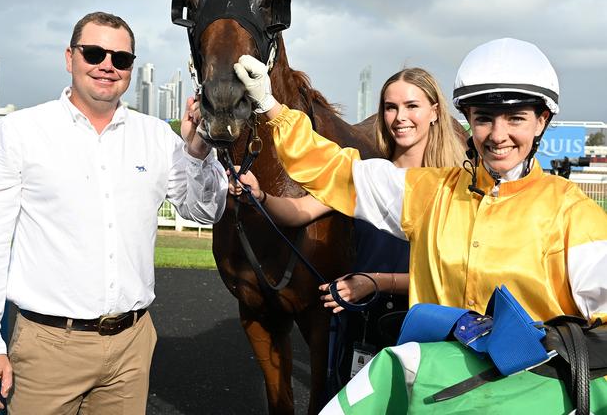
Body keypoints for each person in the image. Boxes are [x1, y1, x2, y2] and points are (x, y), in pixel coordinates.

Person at [0, 11, 228, 414]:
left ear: (131, 69)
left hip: (131, 344)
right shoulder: (17, 133)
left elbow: (202, 211)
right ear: (70, 57)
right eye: (94, 53)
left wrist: (197, 151)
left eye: (121, 59)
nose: (107, 65)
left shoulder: (156, 136)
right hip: (47, 347)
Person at [233, 37, 607, 327]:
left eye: (516, 119)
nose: (497, 134)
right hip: (431, 387)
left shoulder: (574, 215)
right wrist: (270, 106)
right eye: (484, 118)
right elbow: (337, 170)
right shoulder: (430, 190)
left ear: (541, 121)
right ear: (468, 120)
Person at [229, 67, 466, 385]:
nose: (399, 117)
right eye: (390, 107)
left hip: (423, 324)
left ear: (435, 112)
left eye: (412, 106)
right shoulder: (370, 176)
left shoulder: (456, 186)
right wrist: (261, 196)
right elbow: (300, 210)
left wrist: (376, 282)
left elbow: (456, 276)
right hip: (364, 320)